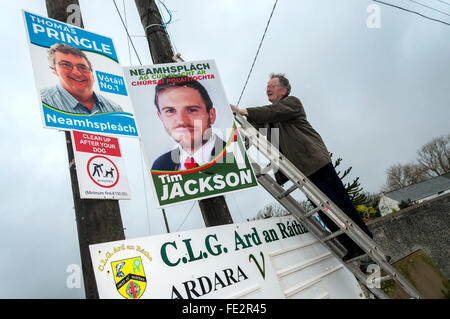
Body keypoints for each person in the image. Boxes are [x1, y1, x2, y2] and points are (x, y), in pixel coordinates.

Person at [231, 73, 373, 261]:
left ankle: (364, 240)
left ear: (284, 90)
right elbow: (258, 128)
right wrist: (231, 119)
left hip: (315, 163)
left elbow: (271, 112)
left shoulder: (292, 104)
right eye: (267, 86)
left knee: (339, 203)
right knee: (323, 210)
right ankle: (351, 246)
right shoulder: (272, 118)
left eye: (272, 85)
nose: (268, 89)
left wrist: (243, 111)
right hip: (302, 172)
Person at [152, 78, 226, 171]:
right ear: (160, 117)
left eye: (192, 110)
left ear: (211, 115)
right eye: (170, 111)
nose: (182, 121)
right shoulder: (160, 166)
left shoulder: (235, 157)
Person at [41, 43, 123, 114]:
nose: (77, 73)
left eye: (82, 67)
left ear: (92, 75)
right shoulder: (44, 101)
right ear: (55, 70)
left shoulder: (115, 109)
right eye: (66, 65)